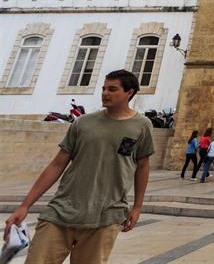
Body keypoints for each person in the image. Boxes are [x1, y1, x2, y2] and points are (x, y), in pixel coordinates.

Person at [3, 70, 154, 264]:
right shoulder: (83, 123)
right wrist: (25, 205)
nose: (105, 93)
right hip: (60, 212)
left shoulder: (142, 125)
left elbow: (143, 167)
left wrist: (137, 207)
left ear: (129, 93)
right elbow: (57, 164)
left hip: (105, 216)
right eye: (104, 88)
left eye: (112, 89)